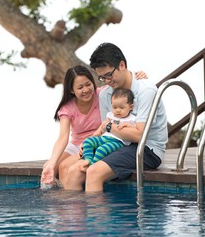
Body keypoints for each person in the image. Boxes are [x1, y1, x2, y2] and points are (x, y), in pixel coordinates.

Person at [61, 43, 168, 192]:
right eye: (102, 77)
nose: (106, 81)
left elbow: (139, 135)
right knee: (74, 171)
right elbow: (106, 131)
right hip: (118, 144)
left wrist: (110, 126)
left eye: (109, 75)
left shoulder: (146, 91)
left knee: (94, 172)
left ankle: (96, 215)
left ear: (122, 65)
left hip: (147, 149)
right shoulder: (106, 94)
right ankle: (76, 215)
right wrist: (90, 142)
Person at [41, 65, 147, 186]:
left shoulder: (102, 94)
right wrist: (52, 162)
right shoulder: (67, 108)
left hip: (99, 139)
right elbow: (62, 138)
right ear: (71, 90)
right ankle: (59, 198)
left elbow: (122, 84)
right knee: (48, 166)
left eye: (88, 84)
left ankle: (72, 201)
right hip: (77, 144)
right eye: (80, 87)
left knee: (65, 167)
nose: (85, 90)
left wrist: (137, 75)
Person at [82, 88, 136, 166]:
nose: (117, 110)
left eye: (121, 108)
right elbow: (104, 124)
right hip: (104, 138)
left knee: (101, 150)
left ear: (130, 107)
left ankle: (93, 164)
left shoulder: (131, 119)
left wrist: (128, 125)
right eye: (114, 107)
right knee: (87, 141)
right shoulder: (110, 115)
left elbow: (136, 131)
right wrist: (98, 132)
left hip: (118, 142)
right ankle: (88, 159)